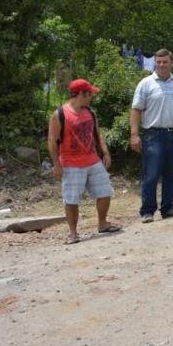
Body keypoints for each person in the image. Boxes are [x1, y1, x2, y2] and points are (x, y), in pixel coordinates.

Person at [47, 79, 121, 244]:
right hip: (71, 163)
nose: (92, 97)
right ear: (81, 94)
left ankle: (102, 223)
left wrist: (105, 152)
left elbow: (98, 133)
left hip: (93, 160)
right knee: (72, 199)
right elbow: (52, 140)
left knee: (105, 192)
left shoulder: (90, 112)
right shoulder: (59, 114)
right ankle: (73, 233)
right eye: (90, 94)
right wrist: (56, 164)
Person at [130, 49, 173, 223]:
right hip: (153, 135)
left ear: (171, 63)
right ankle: (147, 211)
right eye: (159, 62)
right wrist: (134, 135)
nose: (162, 65)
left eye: (165, 62)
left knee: (172, 174)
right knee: (151, 174)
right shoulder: (146, 84)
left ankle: (167, 207)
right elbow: (136, 110)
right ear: (155, 63)